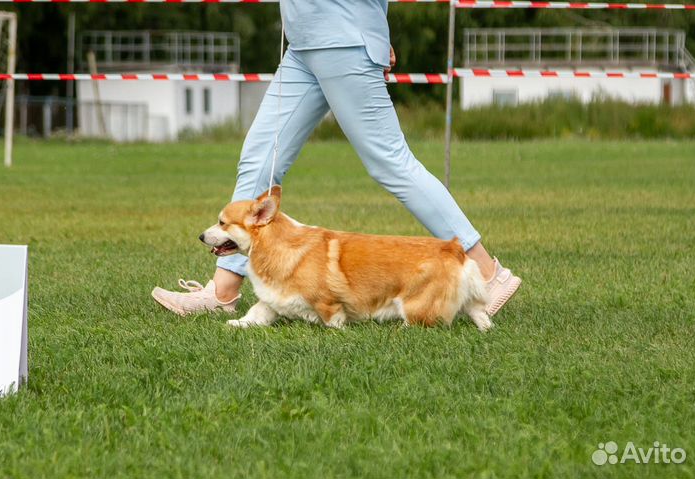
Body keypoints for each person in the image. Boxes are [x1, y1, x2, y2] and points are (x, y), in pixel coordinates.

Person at [152, 0, 521, 318]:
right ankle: (222, 292)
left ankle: (489, 275)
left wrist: (373, 33)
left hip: (342, 40)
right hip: (305, 45)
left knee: (390, 162)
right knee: (259, 161)